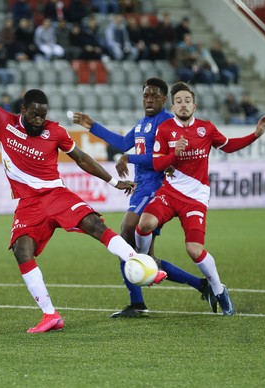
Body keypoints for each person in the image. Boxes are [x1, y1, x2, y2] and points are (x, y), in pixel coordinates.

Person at [0, 29, 166, 333]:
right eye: (34, 115)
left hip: (56, 195)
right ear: (23, 111)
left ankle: (143, 265)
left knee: (94, 225)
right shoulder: (3, 121)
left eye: (43, 116)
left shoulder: (55, 132)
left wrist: (113, 181)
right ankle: (49, 315)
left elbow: (82, 158)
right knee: (22, 250)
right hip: (28, 204)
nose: (39, 121)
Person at [73, 78, 217, 318]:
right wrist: (92, 126)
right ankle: (199, 285)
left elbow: (171, 154)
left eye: (153, 96)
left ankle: (140, 302)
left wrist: (168, 164)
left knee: (126, 233)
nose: (148, 100)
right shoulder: (143, 124)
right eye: (145, 96)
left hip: (157, 189)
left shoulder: (167, 122)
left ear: (164, 99)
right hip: (141, 188)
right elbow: (123, 143)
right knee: (142, 256)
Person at [134, 82, 265, 315]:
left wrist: (255, 135)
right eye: (178, 101)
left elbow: (228, 146)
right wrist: (173, 154)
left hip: (195, 198)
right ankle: (144, 261)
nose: (183, 104)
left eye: (187, 101)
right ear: (173, 105)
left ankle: (219, 289)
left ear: (194, 105)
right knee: (144, 223)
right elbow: (157, 163)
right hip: (169, 193)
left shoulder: (206, 128)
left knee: (194, 249)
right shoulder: (166, 129)